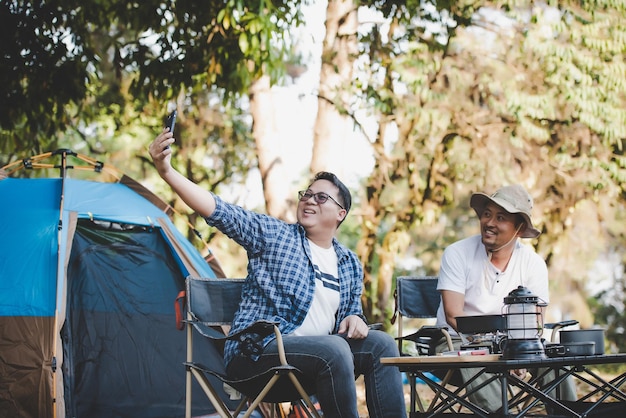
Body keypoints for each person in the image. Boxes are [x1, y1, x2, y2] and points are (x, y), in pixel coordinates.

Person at [149, 128, 406, 418]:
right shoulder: (274, 235)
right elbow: (220, 211)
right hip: (258, 357)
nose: (309, 200)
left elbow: (351, 313)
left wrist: (354, 318)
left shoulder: (348, 262)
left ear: (340, 214)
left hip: (318, 364)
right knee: (334, 348)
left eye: (321, 198)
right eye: (306, 195)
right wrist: (166, 171)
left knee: (382, 344)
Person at [434, 184, 576, 412]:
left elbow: (535, 321)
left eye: (500, 217)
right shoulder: (457, 253)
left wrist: (518, 349)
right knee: (476, 356)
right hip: (455, 342)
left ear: (519, 228)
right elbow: (454, 315)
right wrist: (500, 349)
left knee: (553, 360)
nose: (489, 222)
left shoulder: (533, 263)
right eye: (487, 214)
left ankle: (567, 413)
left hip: (513, 344)